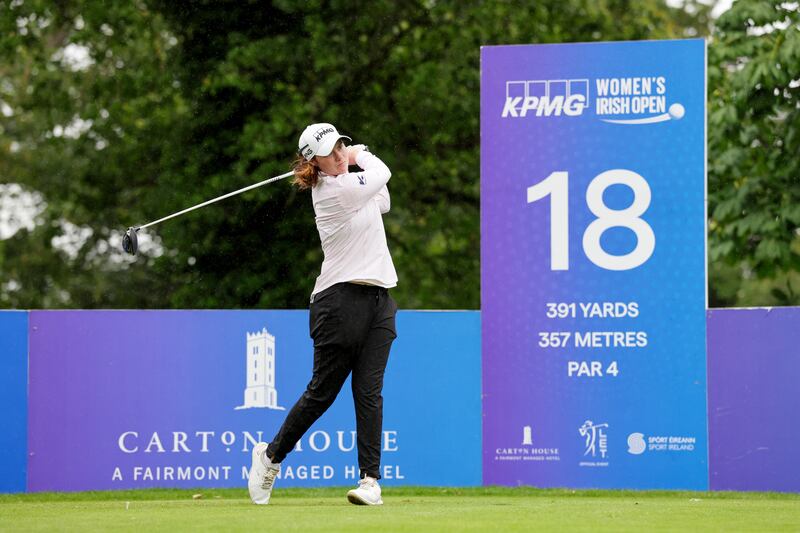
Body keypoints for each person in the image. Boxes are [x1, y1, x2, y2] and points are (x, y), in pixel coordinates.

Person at [248, 123, 398, 506]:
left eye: (341, 146)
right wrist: (359, 155)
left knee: (369, 392)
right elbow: (381, 174)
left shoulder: (349, 185)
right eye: (332, 152)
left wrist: (351, 160)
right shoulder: (331, 191)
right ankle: (269, 458)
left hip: (379, 298)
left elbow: (384, 200)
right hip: (338, 301)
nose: (339, 154)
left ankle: (370, 481)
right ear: (315, 163)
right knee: (322, 393)